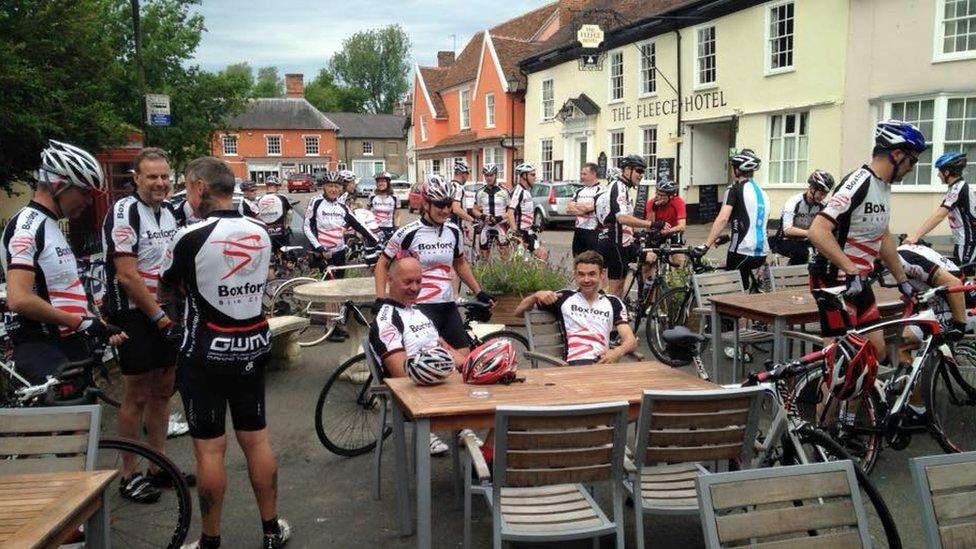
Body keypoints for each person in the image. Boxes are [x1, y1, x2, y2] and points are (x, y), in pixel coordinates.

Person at [159, 157, 289, 549]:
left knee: (210, 450)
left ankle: (210, 541)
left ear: (199, 187)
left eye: (187, 187)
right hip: (251, 346)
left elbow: (166, 290)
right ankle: (270, 530)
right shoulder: (262, 231)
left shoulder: (189, 235)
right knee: (257, 441)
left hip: (204, 353)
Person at [101, 147, 193, 502]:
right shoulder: (124, 211)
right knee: (136, 394)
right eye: (152, 176)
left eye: (165, 176)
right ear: (136, 178)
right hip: (134, 314)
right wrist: (160, 318)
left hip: (165, 311)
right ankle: (130, 474)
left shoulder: (169, 211)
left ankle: (158, 466)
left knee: (163, 390)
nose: (160, 183)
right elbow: (127, 275)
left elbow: (171, 266)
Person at [2, 139, 127, 383]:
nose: (89, 201)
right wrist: (79, 323)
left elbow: (64, 289)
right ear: (58, 184)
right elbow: (19, 298)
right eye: (84, 192)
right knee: (70, 419)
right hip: (44, 344)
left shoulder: (50, 225)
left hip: (69, 344)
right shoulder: (27, 227)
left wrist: (95, 323)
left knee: (87, 418)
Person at [807, 120, 922, 361]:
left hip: (858, 278)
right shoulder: (859, 182)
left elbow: (883, 236)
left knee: (875, 352)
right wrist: (850, 270)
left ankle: (855, 398)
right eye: (913, 160)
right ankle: (820, 398)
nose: (912, 167)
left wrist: (902, 280)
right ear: (897, 154)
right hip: (834, 277)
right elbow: (817, 231)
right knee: (840, 360)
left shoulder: (883, 187)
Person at [374, 175, 494, 361]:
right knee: (428, 363)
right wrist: (381, 298)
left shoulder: (453, 230)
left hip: (447, 306)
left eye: (448, 204)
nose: (446, 210)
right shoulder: (408, 233)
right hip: (418, 308)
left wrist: (479, 292)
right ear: (426, 204)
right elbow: (382, 264)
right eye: (440, 205)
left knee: (463, 360)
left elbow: (460, 263)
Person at [369, 254, 465, 455]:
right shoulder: (387, 320)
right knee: (499, 413)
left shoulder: (417, 312)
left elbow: (445, 349)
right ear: (390, 279)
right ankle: (485, 468)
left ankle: (482, 460)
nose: (415, 288)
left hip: (443, 382)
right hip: (415, 393)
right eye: (408, 282)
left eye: (419, 281)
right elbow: (402, 373)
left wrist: (471, 367)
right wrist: (453, 378)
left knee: (503, 396)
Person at [513, 251, 636, 365]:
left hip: (602, 364)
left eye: (592, 274)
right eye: (581, 274)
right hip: (575, 365)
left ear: (602, 275)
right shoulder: (563, 297)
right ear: (575, 275)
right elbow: (518, 312)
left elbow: (630, 340)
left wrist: (618, 352)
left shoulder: (613, 303)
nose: (586, 280)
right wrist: (535, 296)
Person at [695, 149, 771, 291]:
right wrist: (729, 237)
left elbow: (723, 219)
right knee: (745, 287)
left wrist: (706, 245)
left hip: (741, 251)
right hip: (761, 253)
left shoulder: (734, 189)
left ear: (737, 170)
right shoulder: (763, 193)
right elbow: (756, 225)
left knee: (733, 292)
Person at [895, 243, 969, 364]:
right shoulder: (901, 254)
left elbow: (954, 284)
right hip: (943, 303)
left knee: (894, 344)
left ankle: (917, 381)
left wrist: (959, 326)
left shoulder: (904, 260)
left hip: (958, 307)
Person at [595, 155, 658, 298]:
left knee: (649, 258)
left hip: (620, 240)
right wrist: (652, 224)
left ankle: (632, 305)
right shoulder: (618, 187)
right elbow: (621, 217)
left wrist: (636, 234)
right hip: (616, 242)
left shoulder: (624, 188)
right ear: (627, 170)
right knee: (615, 290)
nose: (641, 175)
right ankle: (611, 314)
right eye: (639, 171)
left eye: (643, 172)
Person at [903, 152, 973, 274]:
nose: (938, 174)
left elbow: (939, 215)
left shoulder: (958, 188)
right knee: (956, 274)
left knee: (961, 278)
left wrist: (916, 236)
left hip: (968, 241)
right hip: (962, 240)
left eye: (939, 171)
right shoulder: (956, 187)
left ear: (947, 172)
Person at [303, 171, 379, 280]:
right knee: (325, 287)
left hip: (339, 251)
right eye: (330, 186)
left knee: (339, 285)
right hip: (323, 252)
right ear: (324, 187)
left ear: (341, 188)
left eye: (336, 186)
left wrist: (376, 240)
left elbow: (358, 225)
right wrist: (319, 248)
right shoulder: (316, 202)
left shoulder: (342, 207)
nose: (333, 189)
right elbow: (307, 227)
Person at [770, 170, 833, 265]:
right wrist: (810, 233)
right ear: (812, 188)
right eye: (821, 193)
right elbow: (787, 230)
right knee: (803, 253)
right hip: (785, 240)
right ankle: (791, 276)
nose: (823, 197)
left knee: (829, 252)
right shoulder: (793, 202)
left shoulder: (822, 206)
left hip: (806, 241)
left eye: (825, 194)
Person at [642, 179, 687, 276]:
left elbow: (682, 226)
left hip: (672, 232)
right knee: (648, 265)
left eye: (662, 195)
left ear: (671, 196)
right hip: (655, 234)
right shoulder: (651, 203)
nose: (658, 197)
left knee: (679, 262)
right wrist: (654, 209)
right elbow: (649, 226)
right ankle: (647, 288)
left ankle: (678, 285)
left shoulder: (678, 202)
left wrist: (668, 231)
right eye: (657, 193)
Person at [506, 163, 549, 261]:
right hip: (521, 233)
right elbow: (510, 212)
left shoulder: (526, 191)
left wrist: (533, 225)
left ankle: (535, 276)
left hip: (528, 231)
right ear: (524, 176)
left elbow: (524, 213)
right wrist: (515, 232)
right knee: (542, 255)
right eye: (532, 175)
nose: (535, 177)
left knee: (539, 257)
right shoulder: (518, 191)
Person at [471, 163, 511, 260]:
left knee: (505, 255)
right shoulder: (480, 192)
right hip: (486, 225)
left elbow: (511, 211)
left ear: (496, 175)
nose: (489, 178)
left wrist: (499, 218)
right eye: (486, 175)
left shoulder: (505, 191)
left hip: (501, 225)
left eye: (491, 175)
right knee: (484, 257)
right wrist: (483, 217)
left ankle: (506, 274)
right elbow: (474, 210)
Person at [567, 162, 602, 257]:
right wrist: (584, 209)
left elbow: (591, 207)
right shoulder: (579, 191)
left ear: (593, 174)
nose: (582, 177)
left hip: (593, 231)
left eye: (585, 174)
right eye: (581, 174)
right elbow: (569, 209)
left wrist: (577, 206)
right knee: (577, 259)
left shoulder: (601, 190)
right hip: (579, 230)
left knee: (593, 261)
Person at [256, 175, 292, 255]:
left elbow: (257, 217)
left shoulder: (259, 199)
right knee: (286, 257)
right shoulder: (282, 197)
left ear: (267, 186)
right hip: (280, 233)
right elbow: (289, 213)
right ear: (277, 186)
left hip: (266, 234)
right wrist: (287, 226)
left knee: (268, 257)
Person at [369, 171, 401, 243]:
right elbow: (366, 212)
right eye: (378, 182)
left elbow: (397, 214)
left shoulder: (395, 197)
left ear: (388, 183)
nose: (380, 183)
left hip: (389, 228)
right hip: (374, 228)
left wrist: (396, 228)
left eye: (383, 181)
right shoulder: (372, 196)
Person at [450, 159, 476, 235]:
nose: (468, 177)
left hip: (448, 226)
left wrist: (464, 224)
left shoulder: (449, 186)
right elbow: (456, 209)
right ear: (463, 174)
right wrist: (472, 220)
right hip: (456, 227)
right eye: (468, 174)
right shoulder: (458, 188)